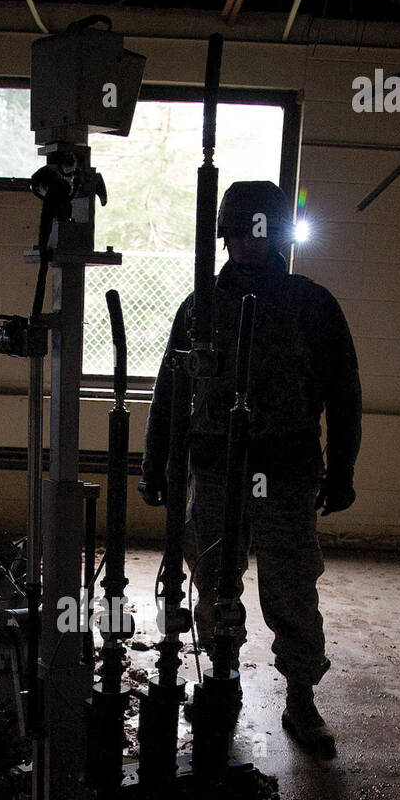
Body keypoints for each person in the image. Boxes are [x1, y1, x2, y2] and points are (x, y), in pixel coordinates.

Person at [139, 180, 362, 755]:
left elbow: (344, 394)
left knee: (290, 588)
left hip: (286, 469)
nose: (247, 242)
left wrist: (342, 470)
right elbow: (170, 391)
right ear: (224, 236)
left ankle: (301, 697)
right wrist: (156, 463)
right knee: (215, 583)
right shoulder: (200, 307)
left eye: (259, 230)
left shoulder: (312, 305)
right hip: (215, 468)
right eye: (237, 231)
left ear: (280, 235)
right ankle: (223, 679)